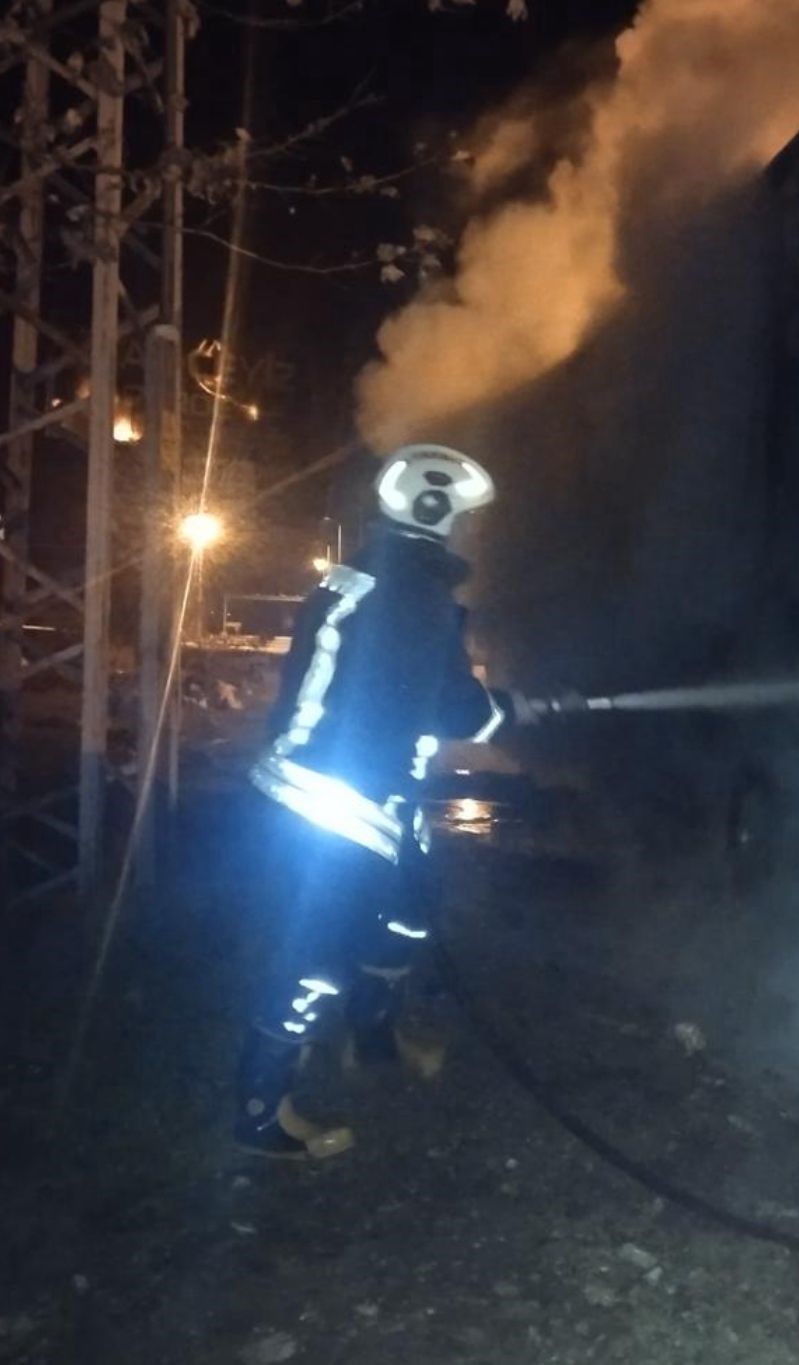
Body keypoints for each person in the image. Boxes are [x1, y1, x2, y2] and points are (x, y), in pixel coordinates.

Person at [234, 444, 527, 1159]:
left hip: (366, 793)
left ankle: (372, 1037)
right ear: (440, 513)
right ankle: (261, 1109)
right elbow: (460, 713)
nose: (469, 534)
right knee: (311, 953)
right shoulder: (416, 599)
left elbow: (401, 695)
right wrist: (510, 710)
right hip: (336, 800)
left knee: (408, 910)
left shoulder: (376, 578)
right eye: (465, 521)